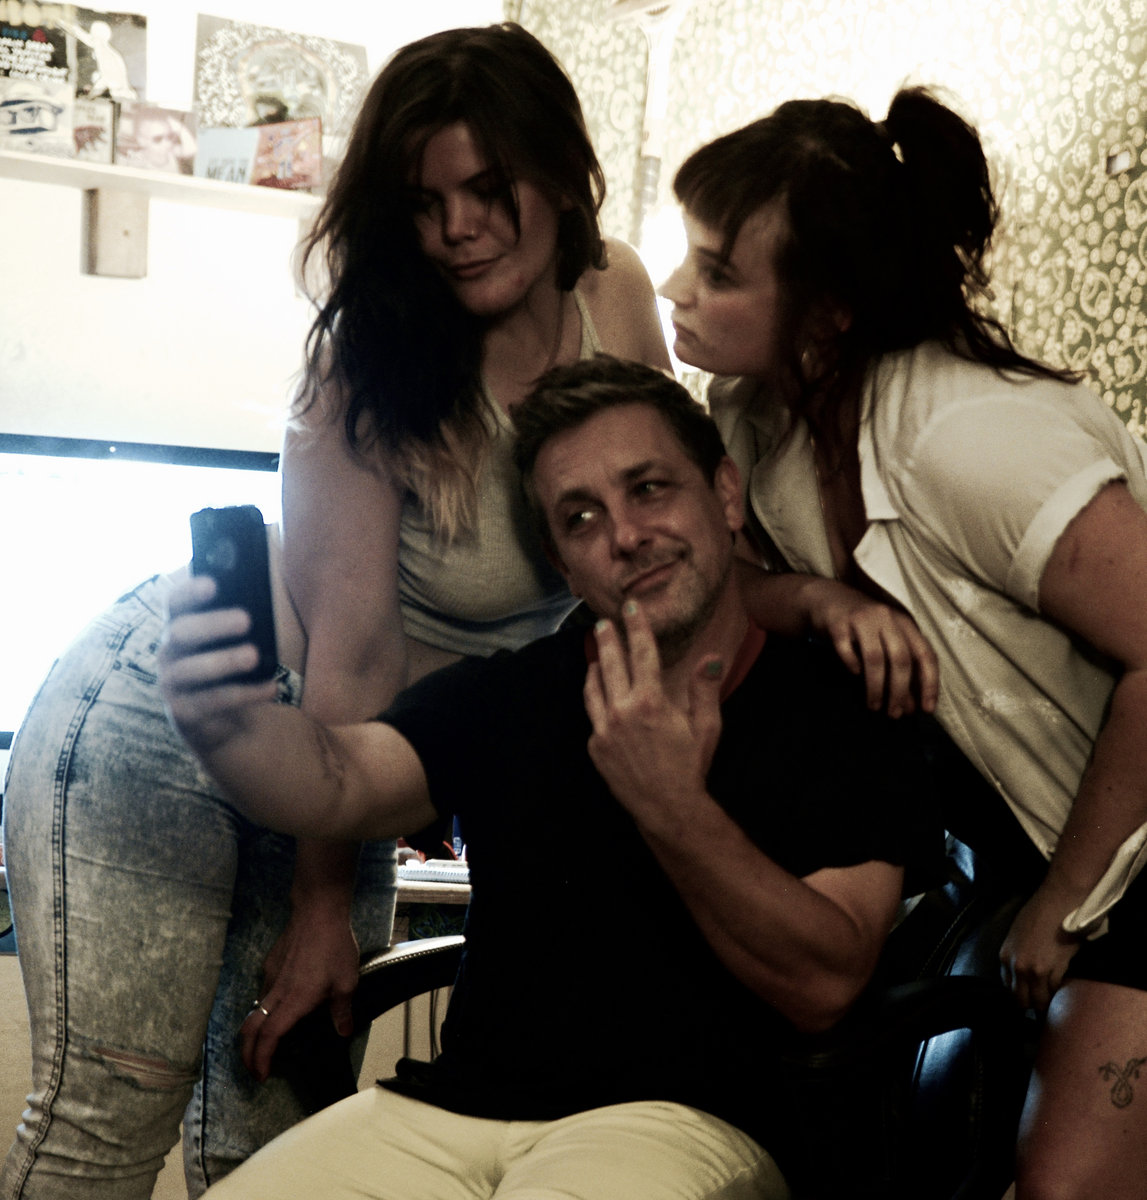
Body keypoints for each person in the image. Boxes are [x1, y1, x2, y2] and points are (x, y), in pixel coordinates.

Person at [0, 23, 669, 1200]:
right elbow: (352, 648)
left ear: (560, 175)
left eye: (487, 189)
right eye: (424, 202)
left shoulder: (612, 292)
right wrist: (322, 905)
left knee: (273, 1132)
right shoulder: (371, 359)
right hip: (178, 713)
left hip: (343, 756)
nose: (457, 228)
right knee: (111, 1115)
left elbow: (655, 528)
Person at [158, 354, 943, 1200]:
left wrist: (670, 805)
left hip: (682, 1123)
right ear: (561, 562)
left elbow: (825, 985)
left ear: (724, 494)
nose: (626, 536)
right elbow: (337, 780)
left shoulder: (842, 703)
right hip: (446, 1114)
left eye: (649, 489)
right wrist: (224, 729)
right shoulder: (517, 693)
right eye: (581, 517)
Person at [659, 86, 1147, 1200]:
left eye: (717, 272)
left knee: (1065, 1185)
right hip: (1021, 849)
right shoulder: (757, 419)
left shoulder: (972, 441)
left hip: (1129, 845)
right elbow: (730, 588)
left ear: (826, 313)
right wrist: (814, 600)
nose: (675, 289)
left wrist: (1066, 902)